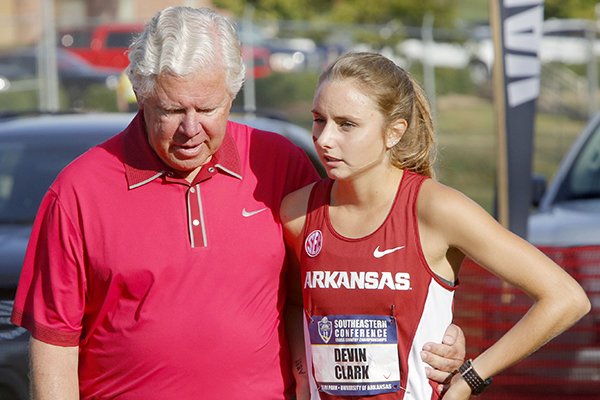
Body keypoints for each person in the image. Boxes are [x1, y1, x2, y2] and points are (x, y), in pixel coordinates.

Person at [10, 7, 466, 400]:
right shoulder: (77, 191)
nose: (191, 128)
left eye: (207, 109)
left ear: (232, 93)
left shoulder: (278, 164)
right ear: (142, 94)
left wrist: (441, 335)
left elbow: (352, 275)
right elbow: (53, 341)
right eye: (171, 110)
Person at [280, 52, 591, 400]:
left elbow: (565, 298)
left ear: (394, 132)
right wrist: (303, 375)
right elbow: (294, 304)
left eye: (346, 124)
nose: (324, 139)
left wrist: (469, 379)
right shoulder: (297, 213)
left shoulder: (436, 209)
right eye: (319, 120)